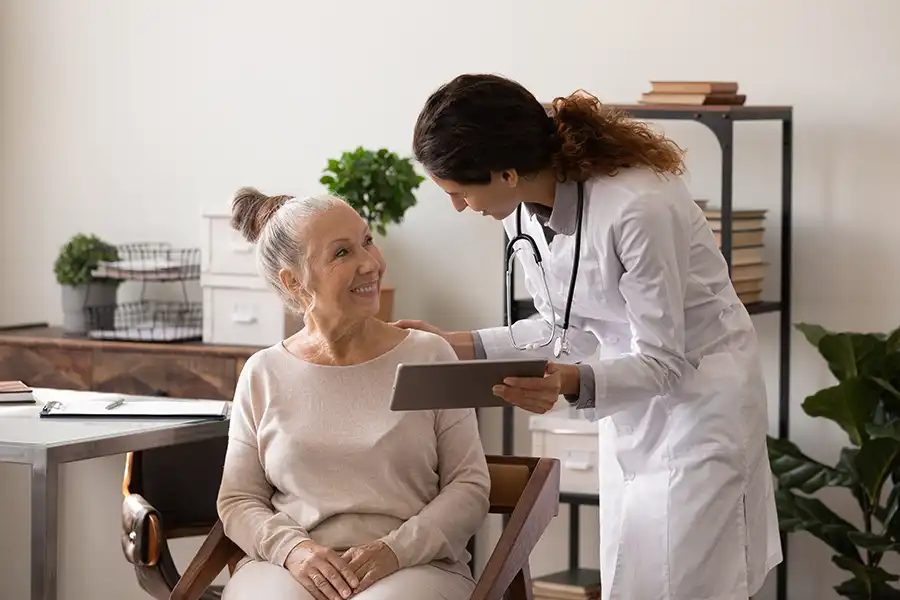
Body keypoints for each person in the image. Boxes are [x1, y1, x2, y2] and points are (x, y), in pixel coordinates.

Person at [395, 74, 782, 600]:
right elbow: (564, 330)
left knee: (687, 580)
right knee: (634, 573)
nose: (460, 208)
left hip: (701, 401)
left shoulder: (638, 206)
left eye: (459, 192)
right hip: (630, 399)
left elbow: (664, 360)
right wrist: (450, 344)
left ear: (506, 172)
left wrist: (570, 383)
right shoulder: (520, 214)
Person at [216, 187, 491, 600]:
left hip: (414, 567)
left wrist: (393, 551)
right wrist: (293, 550)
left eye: (366, 241)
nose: (370, 264)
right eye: (341, 253)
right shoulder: (264, 372)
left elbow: (468, 486)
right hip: (293, 568)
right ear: (294, 282)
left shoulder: (429, 355)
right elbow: (239, 499)